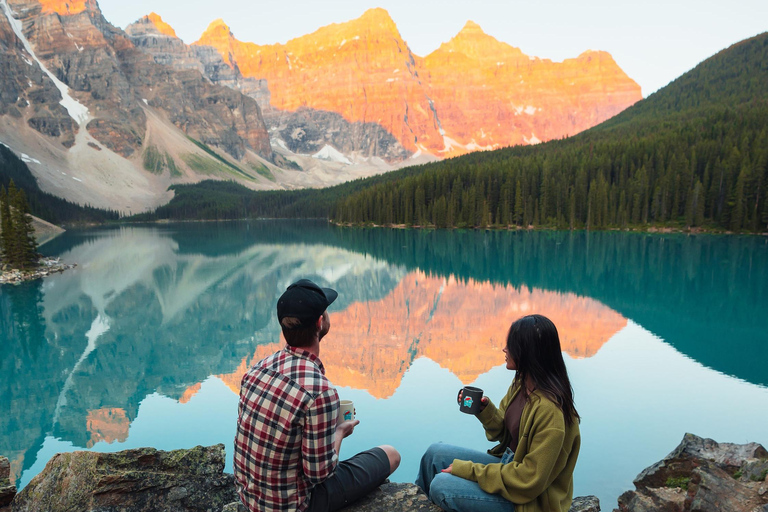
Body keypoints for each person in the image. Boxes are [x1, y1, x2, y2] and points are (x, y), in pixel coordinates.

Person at [234, 279, 400, 512]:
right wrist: (339, 432)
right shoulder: (320, 391)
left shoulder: (257, 369)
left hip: (249, 498)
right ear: (320, 323)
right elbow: (319, 474)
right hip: (293, 506)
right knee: (391, 455)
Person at [416, 314, 581, 512]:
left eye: (511, 345)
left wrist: (469, 471)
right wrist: (485, 411)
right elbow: (506, 434)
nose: (504, 349)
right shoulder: (522, 384)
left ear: (527, 352)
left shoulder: (550, 412)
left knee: (442, 486)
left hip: (530, 501)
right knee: (434, 454)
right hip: (510, 467)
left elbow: (529, 480)